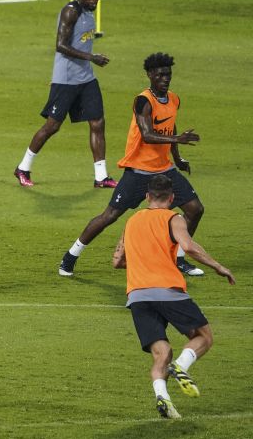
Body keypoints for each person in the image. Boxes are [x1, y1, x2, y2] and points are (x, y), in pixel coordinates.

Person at [59, 52, 206, 277]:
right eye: (160, 75)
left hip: (164, 170)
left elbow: (170, 126)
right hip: (139, 172)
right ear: (149, 75)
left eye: (168, 74)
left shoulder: (174, 99)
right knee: (110, 216)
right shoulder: (143, 100)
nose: (165, 79)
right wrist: (177, 140)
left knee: (195, 209)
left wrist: (177, 158)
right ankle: (70, 256)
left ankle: (178, 259)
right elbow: (147, 134)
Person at [111, 174, 234, 418]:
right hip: (167, 291)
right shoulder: (173, 218)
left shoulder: (131, 221)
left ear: (147, 197)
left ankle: (163, 398)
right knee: (203, 337)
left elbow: (117, 261)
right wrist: (218, 266)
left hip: (137, 296)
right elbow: (188, 247)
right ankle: (182, 366)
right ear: (172, 198)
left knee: (161, 352)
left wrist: (143, 261)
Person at [14, 0, 116, 188]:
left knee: (97, 122)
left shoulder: (89, 14)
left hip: (86, 78)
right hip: (66, 80)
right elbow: (60, 45)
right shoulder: (71, 12)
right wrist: (92, 58)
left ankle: (101, 177)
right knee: (52, 126)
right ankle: (23, 167)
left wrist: (90, 61)